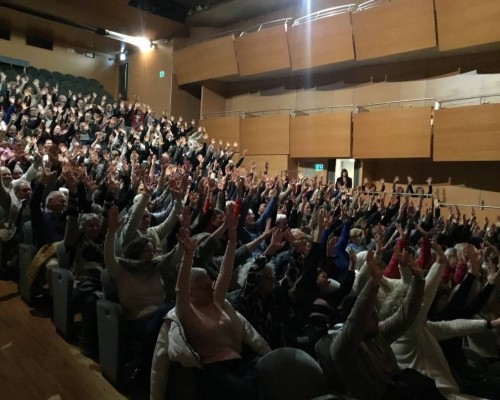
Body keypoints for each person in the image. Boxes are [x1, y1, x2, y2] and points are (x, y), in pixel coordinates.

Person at [174, 204, 270, 400]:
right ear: (191, 292)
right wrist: (187, 256)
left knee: (273, 378)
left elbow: (225, 273)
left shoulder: (215, 301)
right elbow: (180, 288)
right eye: (204, 287)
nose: (211, 288)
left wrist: (232, 241)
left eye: (210, 285)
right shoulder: (186, 311)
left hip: (241, 362)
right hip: (216, 372)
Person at [330, 250, 445, 400]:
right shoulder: (343, 349)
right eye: (371, 315)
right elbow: (356, 321)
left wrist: (418, 280)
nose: (377, 317)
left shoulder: (375, 334)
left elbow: (404, 317)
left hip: (399, 387)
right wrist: (372, 285)